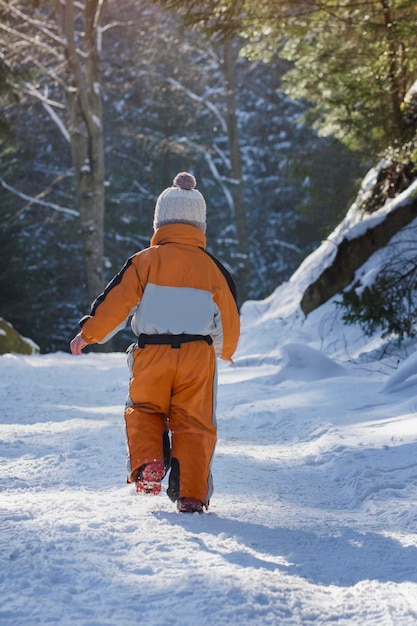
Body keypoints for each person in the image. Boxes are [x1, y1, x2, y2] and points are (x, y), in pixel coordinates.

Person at [70, 172, 240, 513]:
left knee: (146, 410)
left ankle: (150, 462)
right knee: (195, 422)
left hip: (152, 353)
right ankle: (191, 493)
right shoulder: (212, 268)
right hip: (197, 355)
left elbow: (116, 303)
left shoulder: (144, 262)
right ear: (200, 226)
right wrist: (225, 349)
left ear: (160, 222)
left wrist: (89, 334)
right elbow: (229, 315)